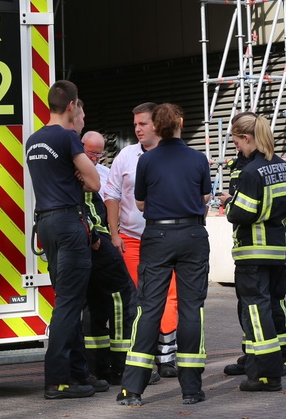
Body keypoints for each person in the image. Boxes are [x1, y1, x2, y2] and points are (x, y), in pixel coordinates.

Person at [117, 103, 211, 407]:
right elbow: (206, 198)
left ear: (156, 127)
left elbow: (140, 204)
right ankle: (192, 389)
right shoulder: (199, 159)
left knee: (149, 308)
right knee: (190, 308)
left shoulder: (147, 160)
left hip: (157, 236)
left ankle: (133, 390)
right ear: (181, 123)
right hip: (193, 235)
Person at [26, 81, 106, 400]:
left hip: (45, 224)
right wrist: (82, 179)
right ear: (71, 105)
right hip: (68, 223)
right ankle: (58, 380)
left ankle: (77, 371)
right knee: (69, 304)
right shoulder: (67, 137)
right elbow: (96, 181)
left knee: (67, 299)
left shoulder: (34, 140)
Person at [219, 112, 286, 392]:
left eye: (237, 141)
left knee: (256, 309)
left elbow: (241, 214)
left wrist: (229, 203)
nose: (237, 148)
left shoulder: (252, 172)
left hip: (253, 253)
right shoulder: (284, 167)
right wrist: (280, 231)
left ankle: (266, 373)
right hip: (278, 250)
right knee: (273, 304)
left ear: (247, 138)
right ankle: (276, 360)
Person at [104, 103, 178, 378]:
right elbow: (111, 194)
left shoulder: (172, 154)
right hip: (131, 240)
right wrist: (114, 233)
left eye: (143, 123)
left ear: (158, 124)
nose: (137, 129)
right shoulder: (126, 156)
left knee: (170, 296)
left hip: (165, 238)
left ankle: (167, 356)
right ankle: (141, 358)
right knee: (137, 299)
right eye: (135, 124)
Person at [80, 130, 136, 386]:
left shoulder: (94, 168)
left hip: (88, 243)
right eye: (91, 153)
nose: (95, 159)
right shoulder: (79, 168)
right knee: (124, 297)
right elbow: (90, 210)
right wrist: (103, 237)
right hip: (97, 242)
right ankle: (121, 367)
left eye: (99, 154)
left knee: (95, 303)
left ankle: (97, 367)